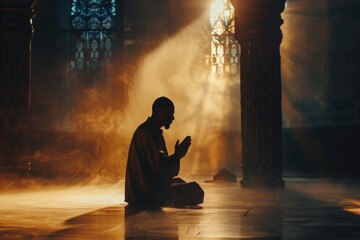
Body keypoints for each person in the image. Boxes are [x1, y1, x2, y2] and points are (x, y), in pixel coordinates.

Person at [125, 96, 204, 207]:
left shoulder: (152, 131)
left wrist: (177, 156)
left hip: (146, 190)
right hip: (147, 194)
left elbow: (165, 170)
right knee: (196, 190)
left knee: (181, 181)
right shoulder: (148, 132)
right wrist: (177, 155)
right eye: (171, 113)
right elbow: (159, 168)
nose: (172, 118)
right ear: (161, 112)